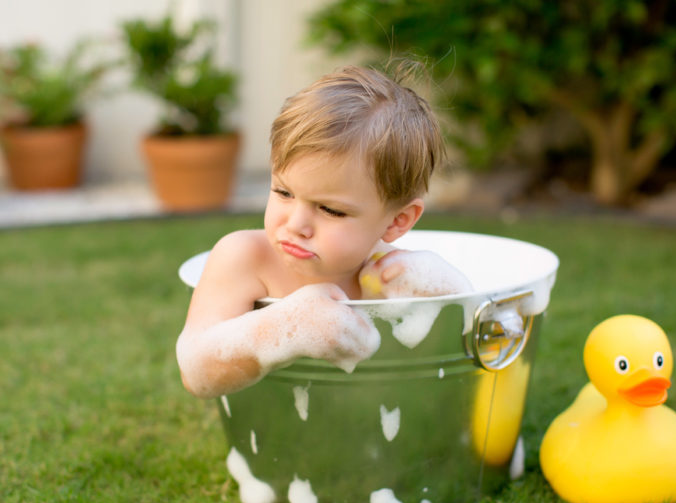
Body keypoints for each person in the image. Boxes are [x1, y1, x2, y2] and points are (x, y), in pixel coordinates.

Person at [177, 65, 472, 399]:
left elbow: (450, 352)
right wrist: (288, 327)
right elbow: (195, 371)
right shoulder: (245, 257)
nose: (295, 224)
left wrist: (445, 291)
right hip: (275, 438)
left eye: (330, 210)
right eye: (283, 192)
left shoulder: (393, 276)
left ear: (396, 222)